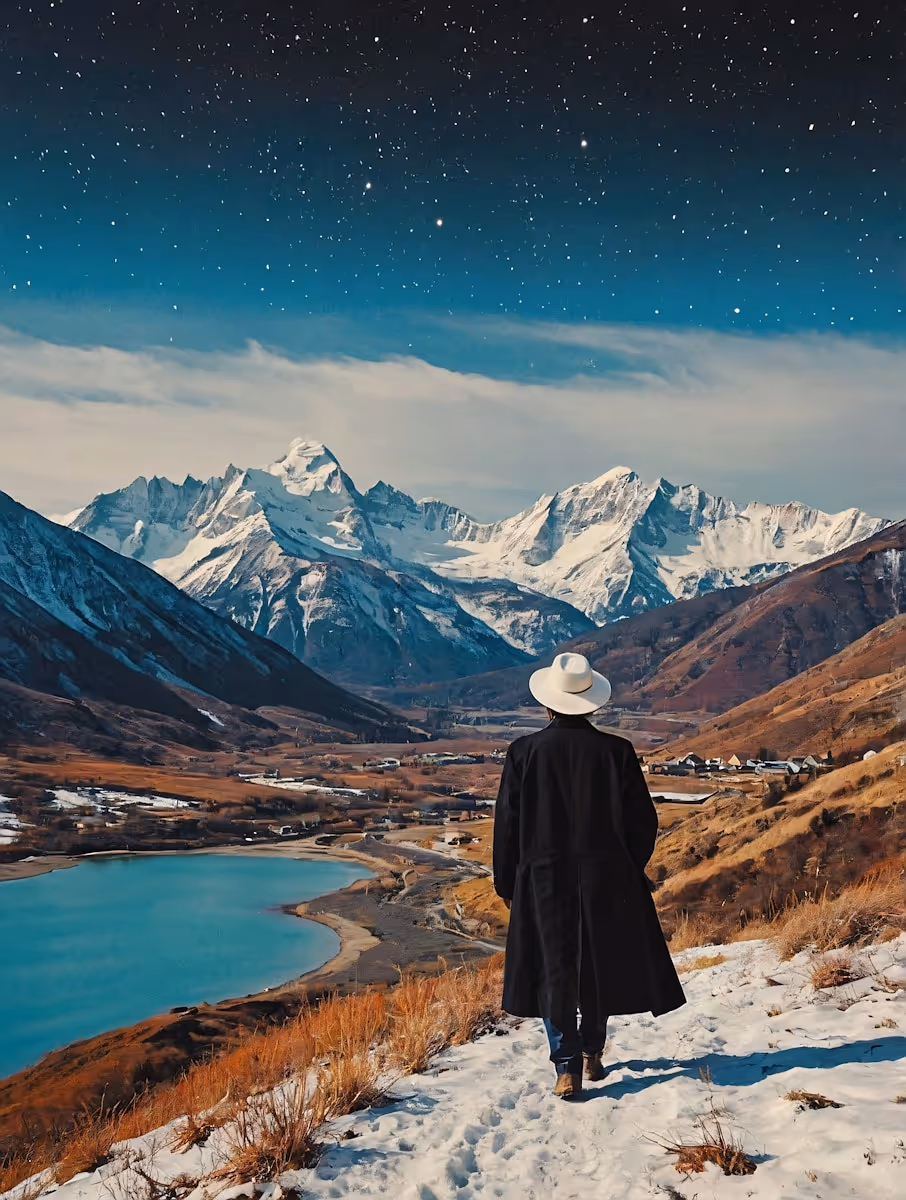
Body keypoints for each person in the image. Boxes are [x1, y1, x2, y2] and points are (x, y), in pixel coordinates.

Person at [493, 651, 686, 1099]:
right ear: (592, 704)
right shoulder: (618, 752)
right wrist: (625, 864)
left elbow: (508, 823)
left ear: (548, 704)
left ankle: (565, 1065)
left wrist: (508, 881)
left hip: (542, 878)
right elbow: (644, 821)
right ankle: (592, 1052)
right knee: (596, 964)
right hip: (606, 877)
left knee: (553, 968)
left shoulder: (523, 752)